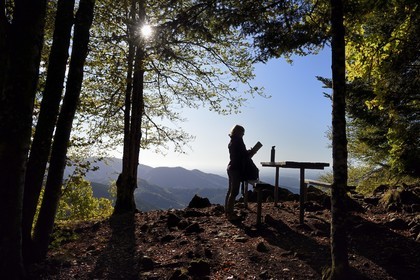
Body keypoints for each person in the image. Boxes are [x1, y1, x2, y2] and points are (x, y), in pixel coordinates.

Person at [225, 125, 255, 221]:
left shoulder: (232, 141)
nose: (243, 134)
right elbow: (242, 155)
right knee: (234, 192)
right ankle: (230, 214)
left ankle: (227, 211)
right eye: (242, 132)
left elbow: (238, 154)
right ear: (238, 132)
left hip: (231, 167)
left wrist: (246, 152)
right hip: (236, 169)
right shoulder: (238, 141)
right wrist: (250, 152)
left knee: (230, 190)